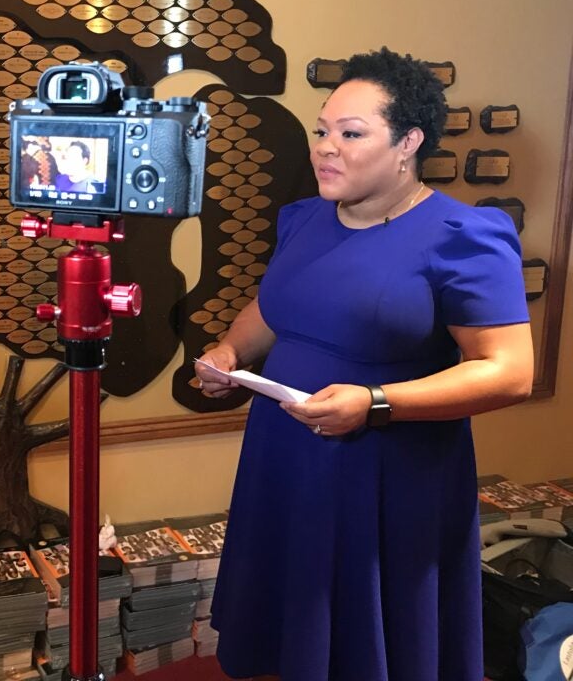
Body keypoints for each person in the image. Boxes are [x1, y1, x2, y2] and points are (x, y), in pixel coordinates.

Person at [195, 47, 533, 681]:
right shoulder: (306, 219)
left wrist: (377, 402)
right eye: (323, 130)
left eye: (351, 134)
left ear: (409, 141)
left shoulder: (464, 236)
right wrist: (229, 353)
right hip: (285, 456)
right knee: (291, 635)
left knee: (369, 646)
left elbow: (509, 371)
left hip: (385, 472)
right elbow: (275, 307)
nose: (326, 147)